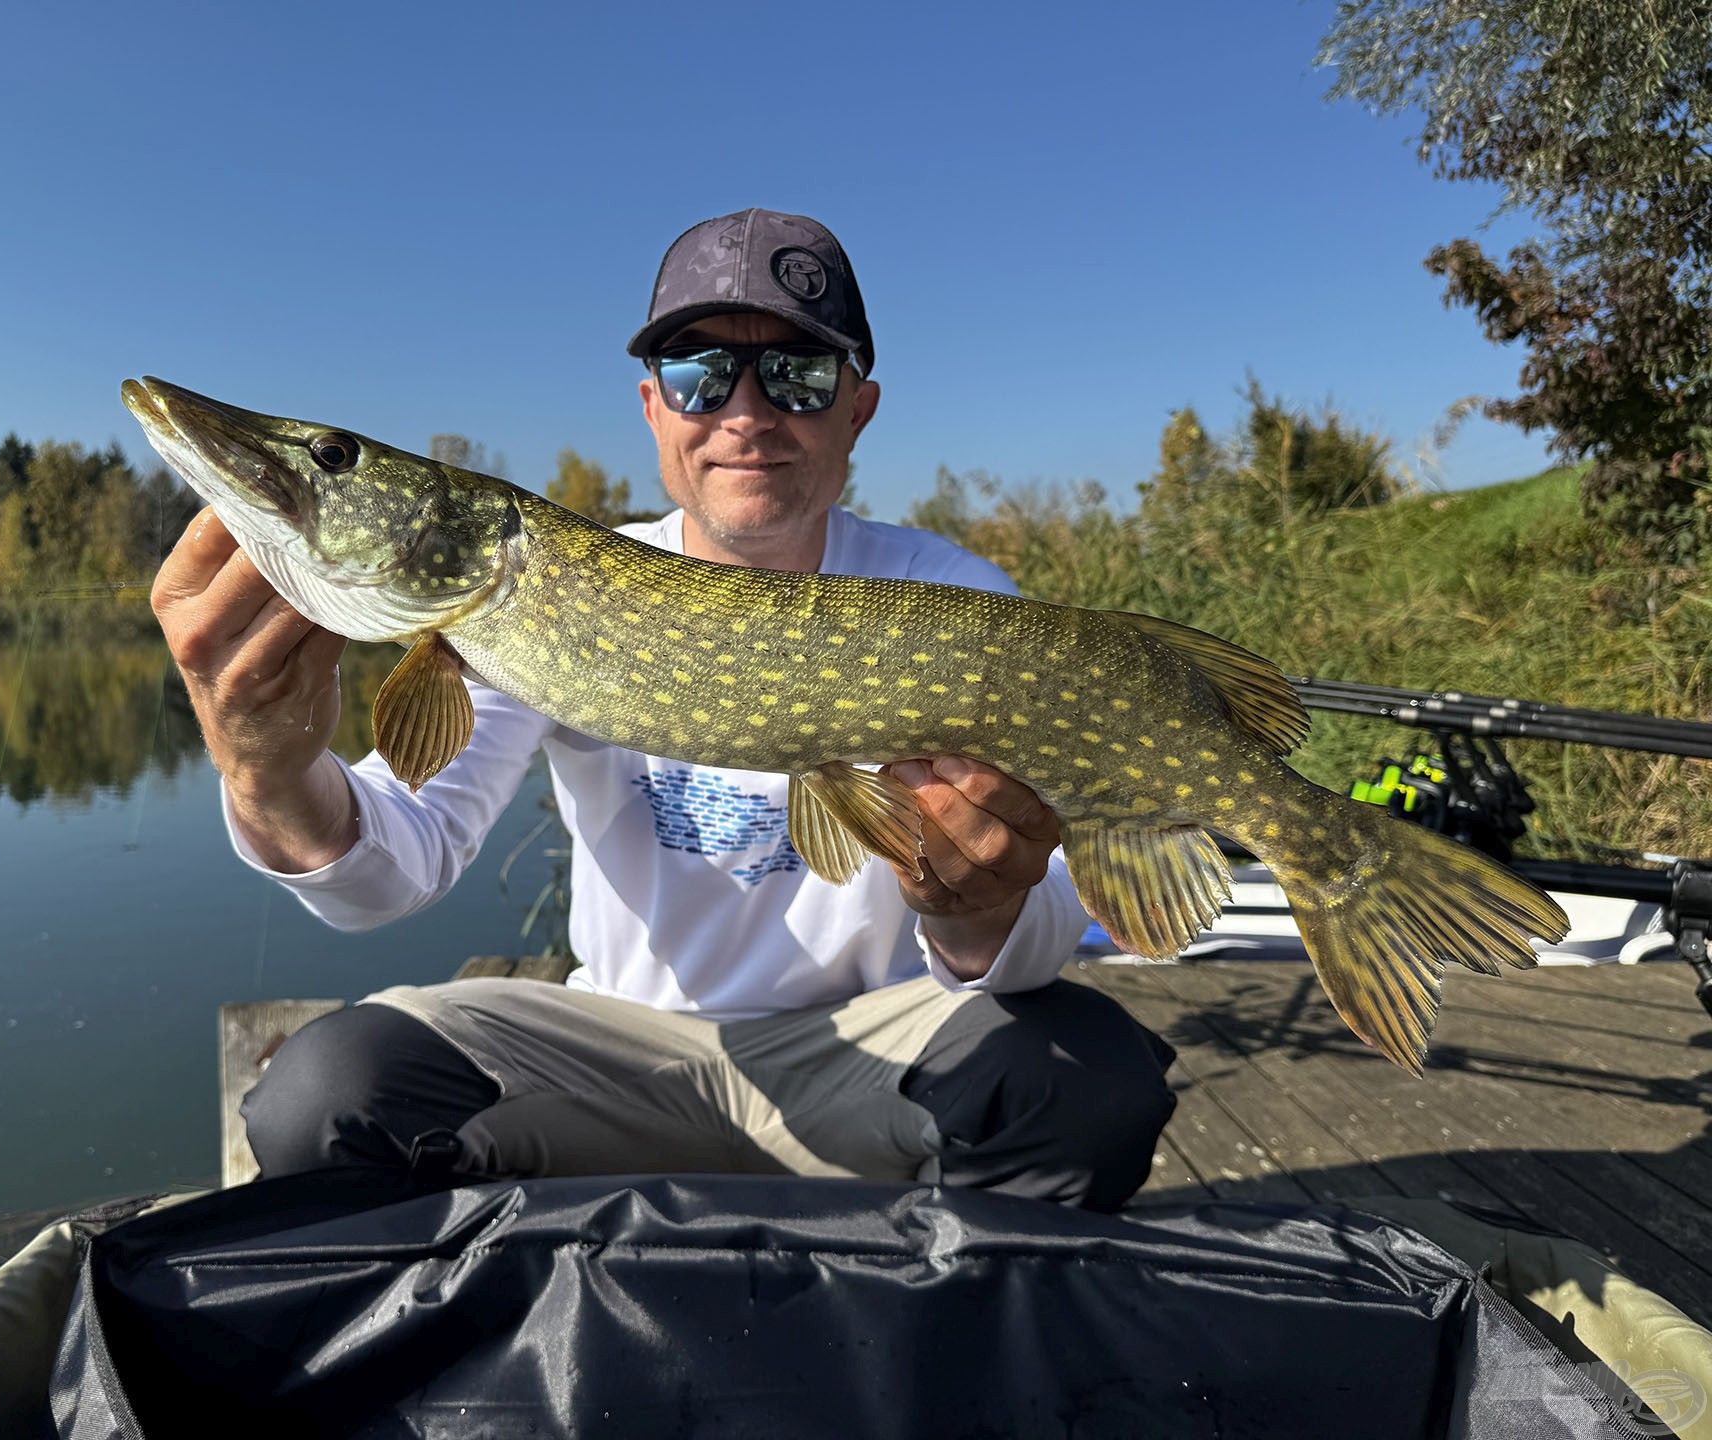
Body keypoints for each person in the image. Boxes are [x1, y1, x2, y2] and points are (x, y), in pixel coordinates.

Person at [150, 209, 1179, 1209]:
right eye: (698, 373)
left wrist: (981, 907)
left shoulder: (959, 601)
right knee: (324, 1097)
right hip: (618, 1058)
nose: (745, 412)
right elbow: (390, 873)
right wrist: (269, 770)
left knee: (1088, 1082)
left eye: (798, 373)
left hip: (868, 1055)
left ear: (858, 407)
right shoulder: (532, 591)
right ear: (654, 409)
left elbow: (1042, 939)